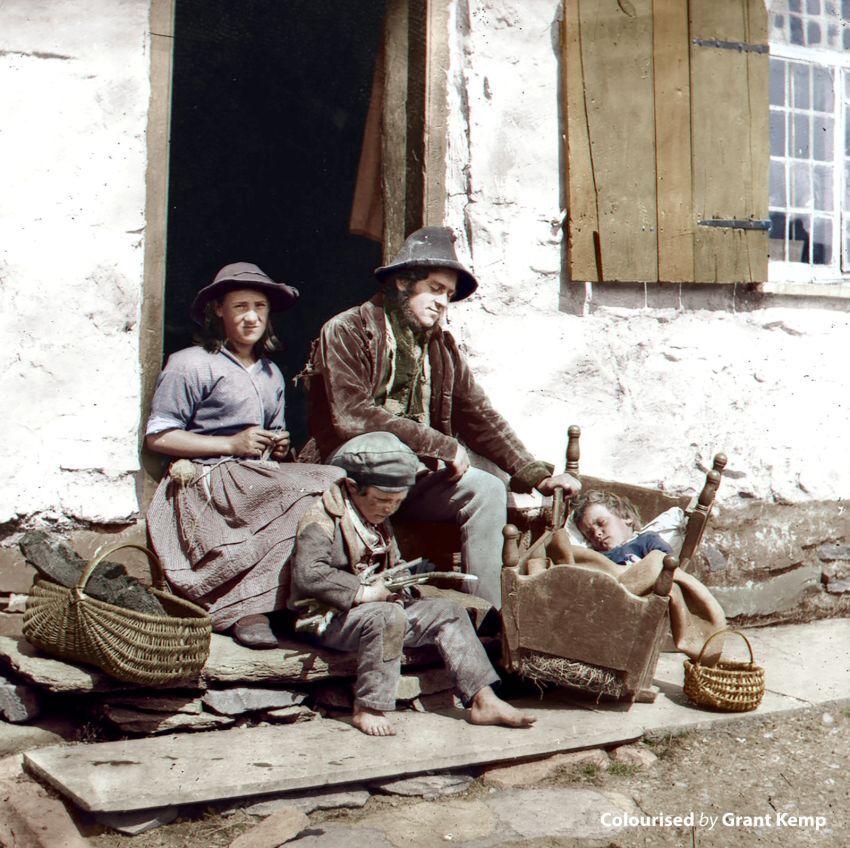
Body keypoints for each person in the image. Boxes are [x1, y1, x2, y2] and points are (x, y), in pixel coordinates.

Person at [297, 226, 580, 608]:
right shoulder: (348, 329)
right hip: (351, 475)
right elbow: (352, 415)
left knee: (487, 489)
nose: (442, 301)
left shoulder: (441, 348)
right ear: (402, 283)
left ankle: (490, 617)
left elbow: (478, 415)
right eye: (434, 288)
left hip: (412, 478)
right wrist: (440, 445)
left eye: (447, 294)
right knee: (386, 446)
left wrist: (536, 474)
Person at [145, 262, 344, 649]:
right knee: (312, 487)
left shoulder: (270, 372)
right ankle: (244, 609)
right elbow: (160, 435)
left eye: (259, 307)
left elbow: (269, 434)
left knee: (333, 480)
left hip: (255, 476)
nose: (251, 317)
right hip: (208, 479)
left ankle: (302, 601)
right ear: (218, 310)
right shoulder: (189, 363)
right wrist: (232, 444)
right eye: (240, 307)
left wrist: (279, 446)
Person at [288, 431, 536, 736]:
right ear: (353, 487)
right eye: (382, 500)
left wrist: (399, 585)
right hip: (328, 618)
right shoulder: (322, 518)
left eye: (397, 501)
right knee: (386, 616)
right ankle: (369, 707)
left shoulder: (376, 516)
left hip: (375, 610)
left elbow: (391, 563)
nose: (388, 509)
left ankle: (483, 700)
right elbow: (308, 574)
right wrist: (363, 593)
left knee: (449, 612)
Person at [572, 490, 672, 566]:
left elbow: (668, 562)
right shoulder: (597, 557)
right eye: (590, 534)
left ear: (626, 517)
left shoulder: (646, 540)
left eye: (601, 523)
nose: (597, 533)